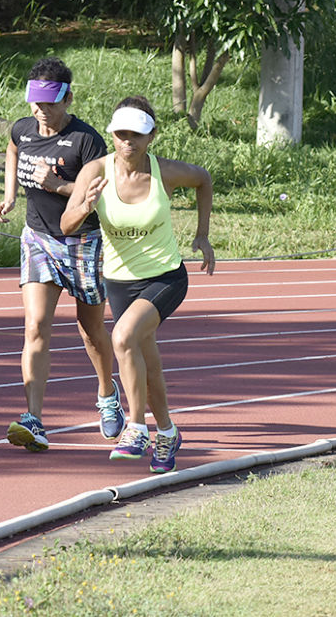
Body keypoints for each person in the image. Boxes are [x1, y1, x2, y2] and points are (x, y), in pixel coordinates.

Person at [61, 96, 214, 474]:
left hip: (165, 276)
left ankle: (136, 427)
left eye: (137, 135)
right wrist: (84, 207)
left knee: (122, 338)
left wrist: (203, 235)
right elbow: (66, 225)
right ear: (112, 134)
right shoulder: (95, 172)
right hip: (120, 282)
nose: (128, 142)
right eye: (121, 134)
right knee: (147, 365)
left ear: (152, 137)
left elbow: (204, 179)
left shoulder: (166, 172)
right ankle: (167, 432)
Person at [0, 58, 123, 453]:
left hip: (82, 242)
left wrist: (58, 186)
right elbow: (13, 150)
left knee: (90, 330)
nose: (40, 111)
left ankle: (106, 393)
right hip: (37, 238)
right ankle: (34, 418)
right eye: (35, 103)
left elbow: (96, 198)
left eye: (48, 104)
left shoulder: (87, 141)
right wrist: (10, 195)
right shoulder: (23, 129)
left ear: (67, 98)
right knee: (35, 327)